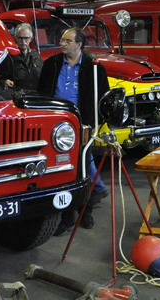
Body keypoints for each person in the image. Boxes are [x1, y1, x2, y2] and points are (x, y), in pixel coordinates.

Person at [37, 27, 110, 236]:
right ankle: (68, 216)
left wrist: (93, 124)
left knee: (82, 166)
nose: (63, 43)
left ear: (79, 45)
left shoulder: (94, 68)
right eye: (62, 39)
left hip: (81, 124)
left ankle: (86, 210)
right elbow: (42, 93)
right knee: (63, 169)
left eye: (68, 41)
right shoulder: (52, 64)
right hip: (55, 127)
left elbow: (103, 99)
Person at [0, 23, 43, 92]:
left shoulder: (37, 56)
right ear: (15, 38)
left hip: (35, 96)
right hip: (17, 97)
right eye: (20, 38)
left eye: (26, 38)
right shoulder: (8, 57)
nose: (23, 41)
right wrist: (5, 82)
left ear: (31, 39)